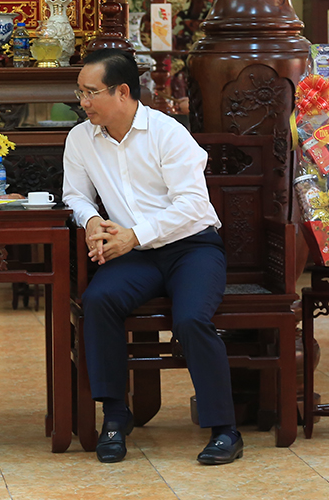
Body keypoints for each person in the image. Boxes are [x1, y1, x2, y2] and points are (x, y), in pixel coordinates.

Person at [62, 49, 243, 466]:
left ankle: (224, 430)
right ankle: (115, 415)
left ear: (122, 92)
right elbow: (75, 194)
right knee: (98, 301)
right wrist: (91, 221)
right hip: (135, 255)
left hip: (191, 248)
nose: (83, 102)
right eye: (80, 92)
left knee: (191, 319)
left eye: (91, 92)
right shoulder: (81, 139)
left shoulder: (167, 133)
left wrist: (135, 235)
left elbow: (192, 206)